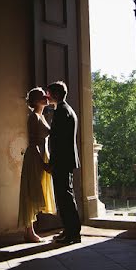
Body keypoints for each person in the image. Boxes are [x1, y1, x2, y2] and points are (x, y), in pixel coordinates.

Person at [17, 87, 56, 242]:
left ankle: (29, 231)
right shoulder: (33, 117)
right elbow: (33, 143)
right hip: (35, 156)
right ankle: (29, 231)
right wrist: (42, 163)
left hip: (40, 155)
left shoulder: (40, 116)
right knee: (31, 192)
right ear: (34, 101)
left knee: (35, 191)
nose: (46, 97)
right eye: (42, 96)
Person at [45, 81, 81, 244]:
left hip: (62, 161)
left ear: (56, 95)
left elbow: (58, 140)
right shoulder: (67, 110)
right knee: (65, 196)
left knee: (64, 197)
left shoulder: (61, 112)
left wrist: (52, 162)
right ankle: (69, 230)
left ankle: (73, 233)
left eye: (49, 93)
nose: (47, 96)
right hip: (66, 160)